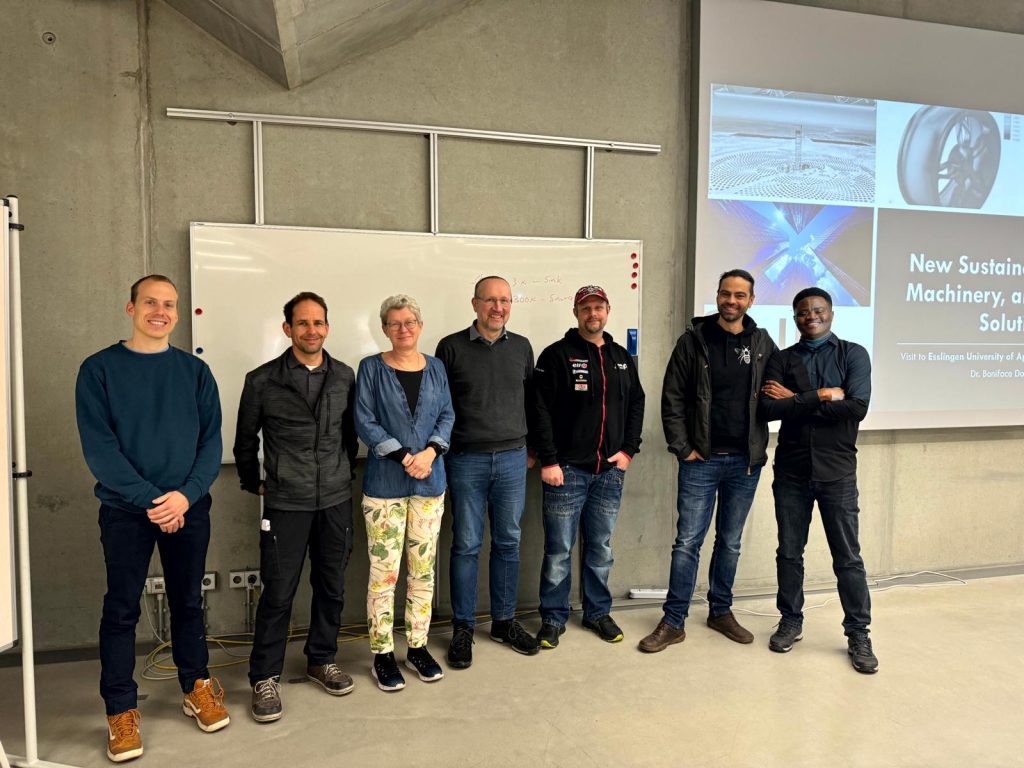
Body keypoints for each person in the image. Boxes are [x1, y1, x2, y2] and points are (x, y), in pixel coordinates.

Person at [76, 275, 229, 763]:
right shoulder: (98, 370)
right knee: (122, 609)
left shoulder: (195, 372)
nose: (160, 312)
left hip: (188, 508)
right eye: (150, 303)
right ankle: (120, 710)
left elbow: (211, 443)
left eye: (169, 304)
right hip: (126, 511)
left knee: (188, 601)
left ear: (178, 314)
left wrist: (183, 497)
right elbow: (100, 450)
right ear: (131, 308)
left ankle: (196, 686)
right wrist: (152, 501)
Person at [234, 291, 359, 722]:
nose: (311, 330)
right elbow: (245, 440)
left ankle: (321, 659)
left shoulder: (344, 376)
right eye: (302, 323)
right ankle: (264, 676)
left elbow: (348, 435)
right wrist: (255, 483)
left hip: (335, 500)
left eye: (318, 322)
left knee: (331, 586)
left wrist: (341, 475)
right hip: (286, 502)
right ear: (287, 328)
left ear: (328, 327)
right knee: (279, 591)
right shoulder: (262, 380)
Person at [639, 269, 777, 653]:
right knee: (687, 542)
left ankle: (720, 611)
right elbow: (672, 397)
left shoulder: (762, 343)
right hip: (701, 461)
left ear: (751, 300)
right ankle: (673, 621)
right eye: (725, 294)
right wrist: (683, 448)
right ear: (717, 296)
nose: (731, 301)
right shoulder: (693, 341)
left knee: (729, 542)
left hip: (745, 463)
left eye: (740, 295)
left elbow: (780, 388)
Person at [759, 287, 878, 674]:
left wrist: (796, 399)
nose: (811, 316)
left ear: (830, 313)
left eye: (818, 310)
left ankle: (858, 633)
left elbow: (856, 408)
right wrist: (823, 395)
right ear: (795, 317)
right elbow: (767, 407)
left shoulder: (853, 354)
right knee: (789, 552)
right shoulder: (782, 358)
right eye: (803, 312)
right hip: (791, 471)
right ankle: (790, 620)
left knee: (848, 558)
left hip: (837, 471)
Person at [532, 285, 645, 647]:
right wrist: (549, 460)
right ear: (576, 313)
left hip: (609, 473)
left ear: (607, 310)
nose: (592, 314)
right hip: (565, 472)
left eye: (598, 307)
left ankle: (597, 613)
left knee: (601, 548)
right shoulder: (556, 355)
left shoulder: (621, 357)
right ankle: (553, 617)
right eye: (586, 308)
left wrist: (628, 451)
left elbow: (637, 403)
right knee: (559, 550)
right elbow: (539, 410)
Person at [435, 276, 539, 668]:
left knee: (508, 541)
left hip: (513, 459)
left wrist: (533, 450)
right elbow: (439, 405)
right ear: (475, 303)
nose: (498, 308)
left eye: (505, 300)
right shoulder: (451, 347)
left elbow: (532, 401)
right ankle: (462, 627)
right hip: (466, 460)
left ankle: (503, 622)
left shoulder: (523, 347)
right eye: (491, 300)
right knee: (466, 544)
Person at [355, 294, 455, 691]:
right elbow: (364, 419)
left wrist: (429, 453)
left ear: (420, 326)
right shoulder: (371, 368)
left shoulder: (436, 368)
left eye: (409, 322)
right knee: (384, 574)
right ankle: (382, 654)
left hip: (430, 482)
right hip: (385, 487)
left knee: (422, 571)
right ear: (384, 328)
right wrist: (404, 456)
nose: (403, 329)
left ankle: (417, 646)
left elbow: (447, 414)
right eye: (394, 323)